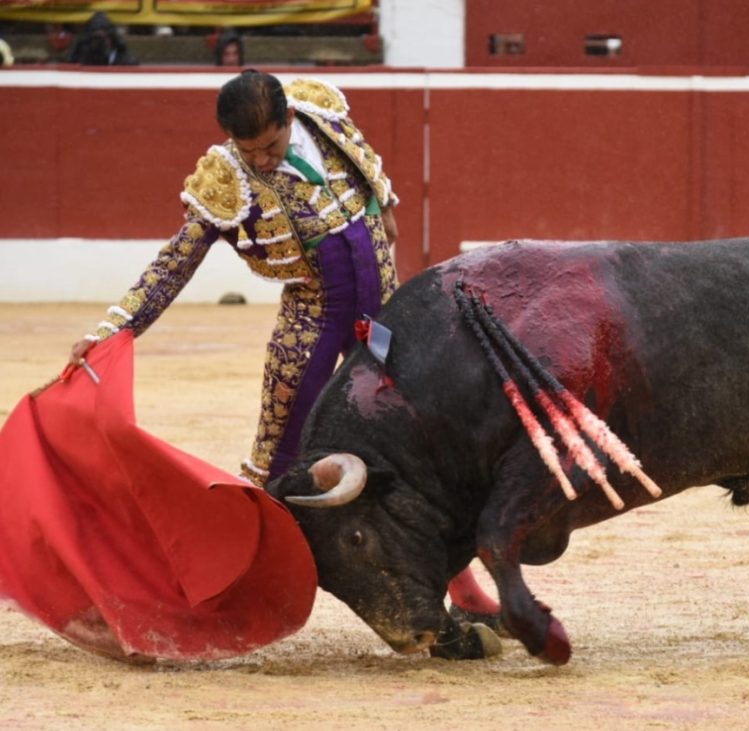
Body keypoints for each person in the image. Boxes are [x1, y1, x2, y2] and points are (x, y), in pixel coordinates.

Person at [66, 69, 499, 627]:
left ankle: (462, 590)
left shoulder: (319, 111)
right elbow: (174, 264)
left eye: (270, 147)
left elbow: (361, 152)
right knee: (277, 460)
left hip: (385, 316)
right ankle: (227, 594)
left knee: (423, 444)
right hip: (312, 318)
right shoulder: (227, 177)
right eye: (250, 152)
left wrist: (383, 201)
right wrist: (113, 329)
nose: (263, 161)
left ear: (288, 120)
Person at [68, 11, 138, 66]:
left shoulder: (125, 63)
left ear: (112, 39)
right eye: (95, 38)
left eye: (102, 38)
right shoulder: (80, 59)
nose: (99, 42)